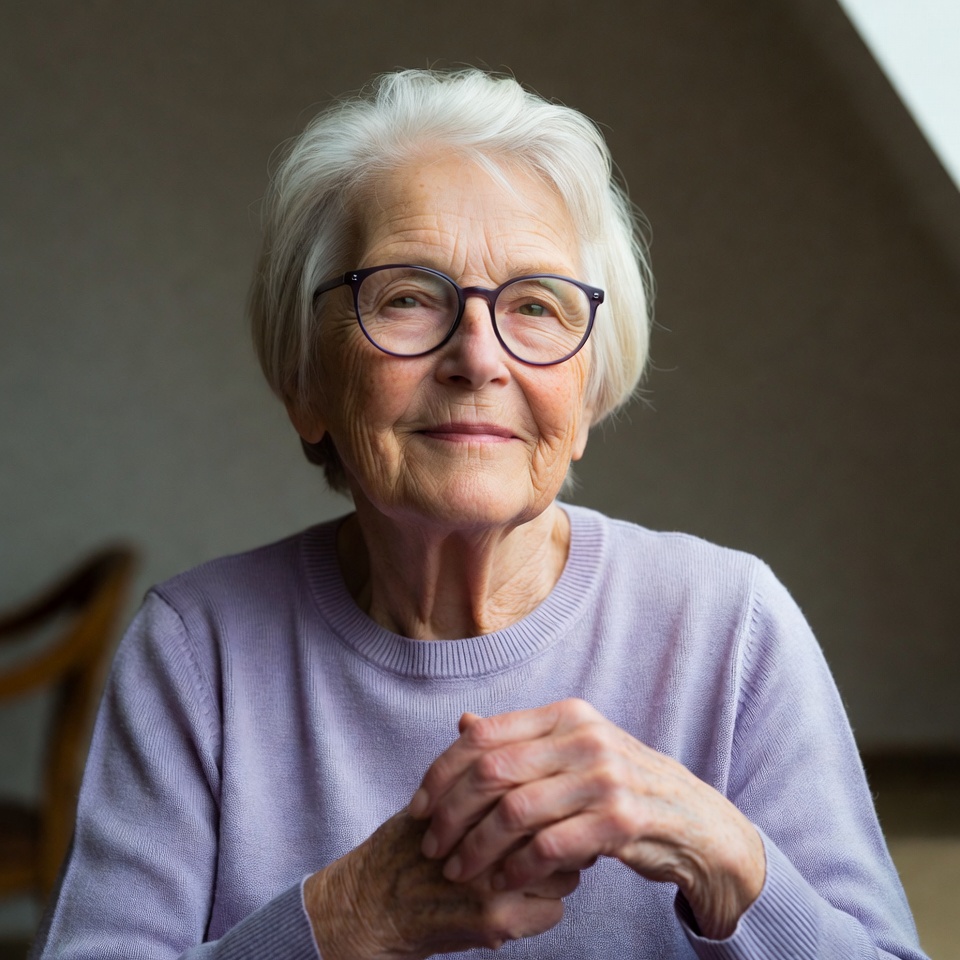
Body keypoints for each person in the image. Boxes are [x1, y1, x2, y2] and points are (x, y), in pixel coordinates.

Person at [32, 69, 926, 960]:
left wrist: (727, 858)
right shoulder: (199, 651)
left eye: (535, 306)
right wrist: (347, 919)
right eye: (409, 298)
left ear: (584, 398)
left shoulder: (730, 624)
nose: (478, 357)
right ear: (306, 387)